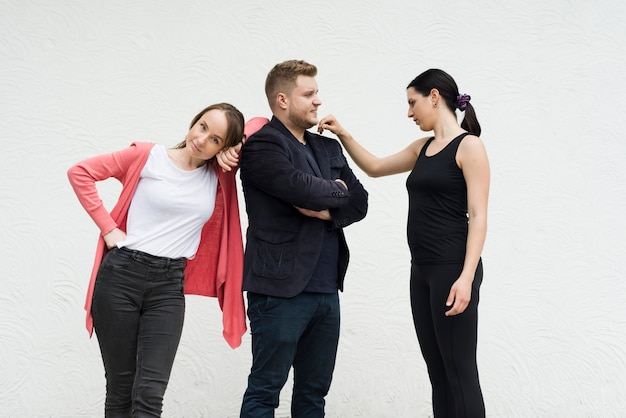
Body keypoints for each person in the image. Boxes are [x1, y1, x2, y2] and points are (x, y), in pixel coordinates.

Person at [319, 69, 489, 417]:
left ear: (435, 97)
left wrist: (466, 277)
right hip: (422, 272)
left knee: (460, 373)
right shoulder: (422, 148)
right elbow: (376, 167)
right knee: (439, 375)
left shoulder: (468, 146)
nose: (410, 113)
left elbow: (479, 215)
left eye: (413, 103)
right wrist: (343, 134)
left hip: (453, 270)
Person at [67, 103, 250, 417]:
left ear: (223, 147)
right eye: (203, 126)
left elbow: (259, 127)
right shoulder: (146, 156)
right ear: (194, 122)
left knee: (150, 393)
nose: (203, 139)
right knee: (122, 389)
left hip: (168, 287)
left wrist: (239, 148)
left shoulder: (218, 175)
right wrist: (109, 228)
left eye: (216, 140)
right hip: (121, 278)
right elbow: (80, 173)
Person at [238, 60, 368, 417]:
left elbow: (360, 202)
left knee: (313, 395)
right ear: (282, 99)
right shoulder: (263, 146)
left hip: (327, 289)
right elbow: (301, 189)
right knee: (266, 390)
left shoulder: (327, 148)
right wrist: (334, 191)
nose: (317, 102)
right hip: (279, 289)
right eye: (308, 94)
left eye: (317, 93)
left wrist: (328, 207)